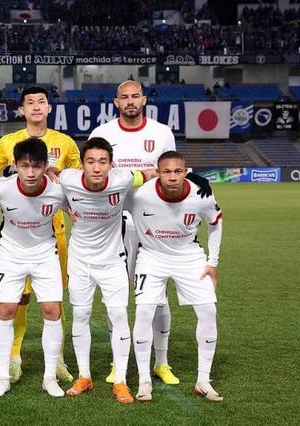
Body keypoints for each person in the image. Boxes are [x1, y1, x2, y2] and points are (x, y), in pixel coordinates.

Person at [89, 80, 211, 385]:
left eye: (135, 96)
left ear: (144, 100)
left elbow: (171, 169)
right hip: (115, 222)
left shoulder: (161, 133)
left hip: (155, 223)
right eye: (124, 97)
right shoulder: (102, 133)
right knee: (116, 294)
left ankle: (161, 362)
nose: (130, 101)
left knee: (157, 296)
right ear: (116, 102)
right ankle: (118, 362)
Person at [0, 86, 80, 384]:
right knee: (18, 298)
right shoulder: (8, 142)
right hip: (18, 231)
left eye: (41, 102)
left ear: (49, 108)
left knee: (54, 299)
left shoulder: (66, 143)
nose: (35, 107)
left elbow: (80, 179)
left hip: (53, 232)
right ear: (22, 109)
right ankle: (14, 357)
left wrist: (60, 174)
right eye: (29, 103)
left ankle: (58, 360)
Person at [60, 137, 156, 404]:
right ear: (82, 165)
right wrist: (65, 205)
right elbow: (50, 174)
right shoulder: (68, 179)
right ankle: (84, 376)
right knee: (81, 315)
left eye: (103, 162)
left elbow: (150, 173)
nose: (97, 167)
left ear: (111, 165)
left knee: (119, 316)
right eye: (90, 161)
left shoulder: (122, 179)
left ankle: (121, 380)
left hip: (113, 261)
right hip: (80, 261)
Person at [0, 138, 66, 398]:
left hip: (45, 255)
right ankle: (2, 377)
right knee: (6, 311)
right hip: (11, 255)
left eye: (36, 166)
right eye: (25, 166)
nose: (31, 172)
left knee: (52, 311)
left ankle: (50, 377)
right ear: (15, 165)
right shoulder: (2, 189)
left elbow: (80, 205)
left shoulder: (58, 191)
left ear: (45, 166)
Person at [131, 151, 223, 402]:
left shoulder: (201, 195)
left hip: (189, 256)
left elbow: (216, 221)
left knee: (208, 310)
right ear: (157, 173)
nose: (172, 177)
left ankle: (203, 381)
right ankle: (144, 380)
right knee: (144, 311)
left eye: (178, 171)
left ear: (186, 172)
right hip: (151, 256)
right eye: (167, 172)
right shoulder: (140, 194)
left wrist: (212, 262)